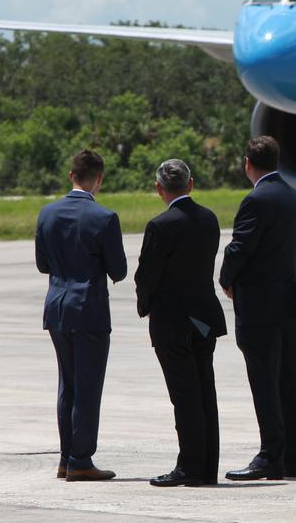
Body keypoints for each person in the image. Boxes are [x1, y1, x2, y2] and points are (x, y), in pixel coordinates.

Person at [35, 149, 127, 482]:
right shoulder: (104, 217)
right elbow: (119, 270)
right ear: (98, 180)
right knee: (88, 387)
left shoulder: (47, 214)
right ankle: (81, 459)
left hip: (57, 306)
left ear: (71, 176)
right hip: (88, 308)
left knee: (67, 385)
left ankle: (64, 457)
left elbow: (43, 264)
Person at [134, 159, 227, 487]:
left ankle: (188, 465)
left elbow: (146, 276)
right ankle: (207, 466)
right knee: (205, 391)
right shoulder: (209, 219)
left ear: (160, 188)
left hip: (173, 321)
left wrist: (144, 307)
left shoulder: (160, 225)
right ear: (191, 184)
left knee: (184, 395)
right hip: (203, 318)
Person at [219, 136, 296, 481]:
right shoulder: (293, 196)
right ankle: (291, 455)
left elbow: (240, 248)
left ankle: (271, 453)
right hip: (288, 299)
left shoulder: (256, 199)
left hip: (260, 304)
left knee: (264, 380)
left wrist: (226, 279)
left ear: (247, 164)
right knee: (288, 380)